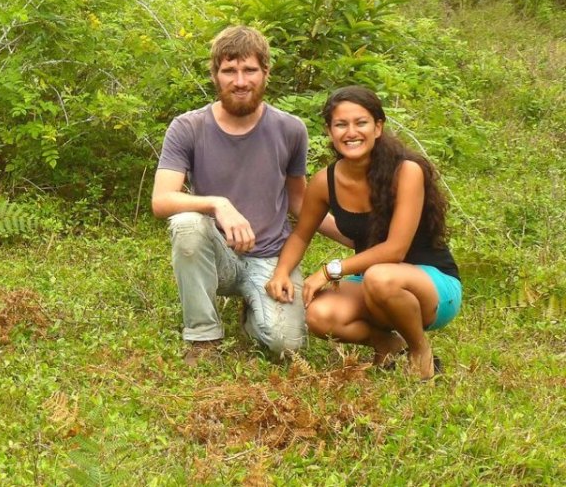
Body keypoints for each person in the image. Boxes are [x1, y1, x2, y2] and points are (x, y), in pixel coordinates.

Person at [152, 26, 345, 364]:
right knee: (186, 223)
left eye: (249, 70)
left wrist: (358, 237)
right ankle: (203, 337)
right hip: (217, 256)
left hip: (270, 258)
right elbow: (162, 200)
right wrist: (217, 203)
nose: (240, 81)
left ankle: (253, 314)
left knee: (285, 345)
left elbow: (299, 201)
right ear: (215, 76)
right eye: (229, 71)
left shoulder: (290, 129)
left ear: (266, 73)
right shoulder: (188, 127)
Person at [265, 85, 462, 380]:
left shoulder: (406, 171)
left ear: (378, 127)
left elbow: (395, 250)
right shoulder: (324, 181)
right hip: (372, 281)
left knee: (381, 277)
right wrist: (281, 272)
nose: (351, 132)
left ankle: (420, 349)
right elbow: (301, 235)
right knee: (318, 314)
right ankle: (386, 343)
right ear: (330, 132)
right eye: (341, 124)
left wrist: (331, 270)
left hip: (430, 284)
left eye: (361, 122)